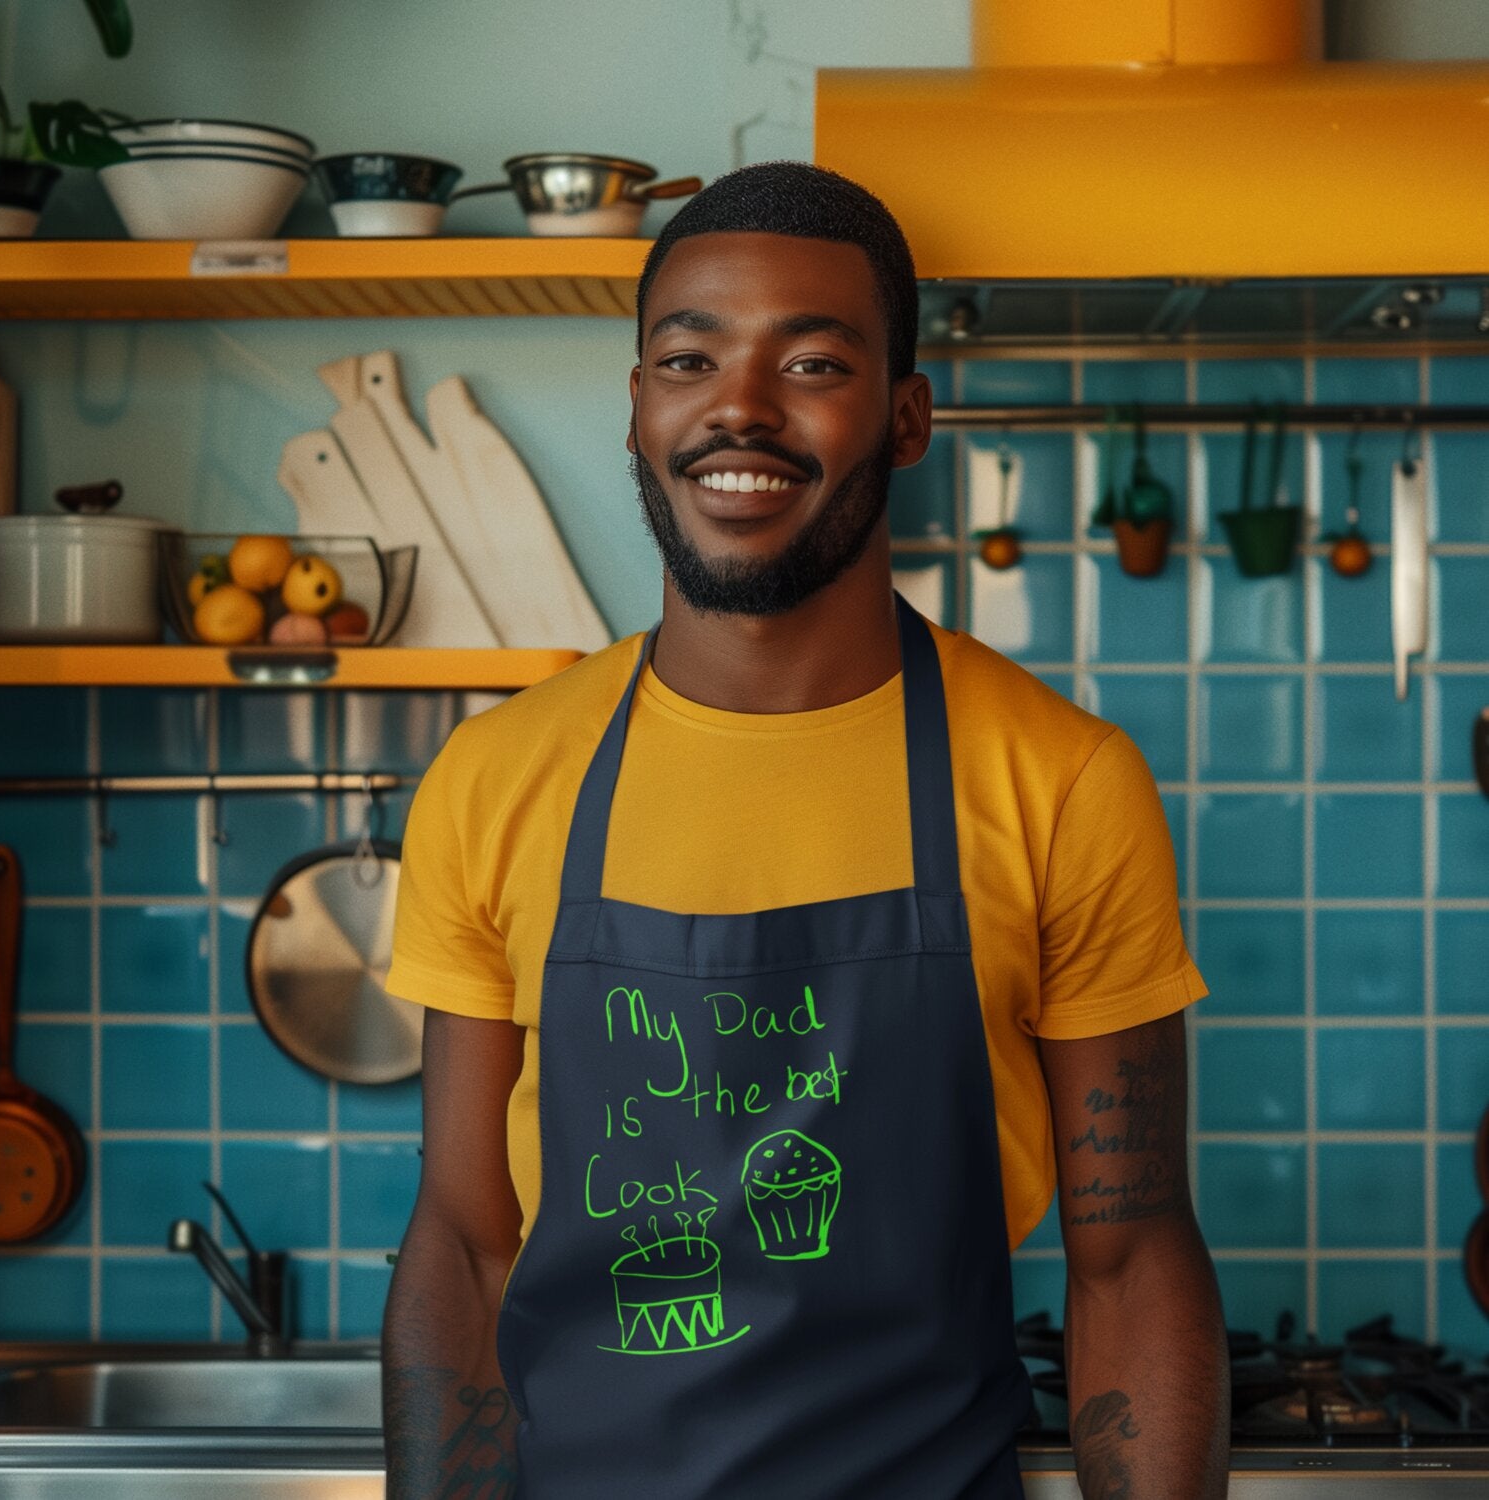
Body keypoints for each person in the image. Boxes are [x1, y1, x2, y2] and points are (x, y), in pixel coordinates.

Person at [382, 160, 1230, 1500]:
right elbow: (464, 1242)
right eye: (687, 358)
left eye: (815, 363)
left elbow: (1128, 1257)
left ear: (906, 419)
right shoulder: (497, 779)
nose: (739, 408)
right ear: (638, 410)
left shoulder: (1060, 781)